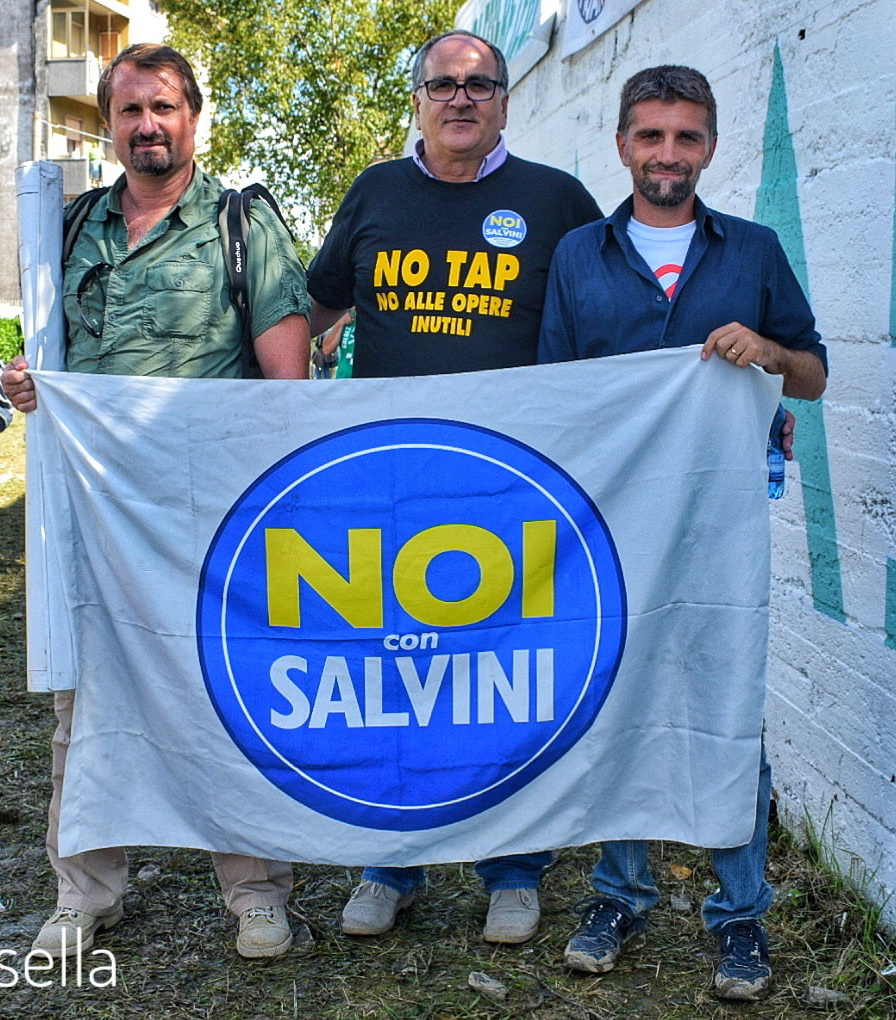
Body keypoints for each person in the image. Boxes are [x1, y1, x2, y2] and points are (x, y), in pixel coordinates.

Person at [1, 43, 310, 962]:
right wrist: (29, 382)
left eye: (163, 108)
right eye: (129, 111)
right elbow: (48, 361)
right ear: (108, 123)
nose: (146, 126)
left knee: (222, 697)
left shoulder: (239, 224)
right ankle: (82, 893)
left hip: (208, 515)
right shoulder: (69, 226)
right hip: (90, 517)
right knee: (84, 706)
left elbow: (285, 387)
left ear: (192, 116)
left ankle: (256, 893)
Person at [303, 29, 604, 944]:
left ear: (506, 99)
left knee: (507, 675)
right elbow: (313, 308)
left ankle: (513, 869)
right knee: (398, 665)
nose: (461, 99)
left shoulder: (556, 200)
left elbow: (613, 309)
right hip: (393, 483)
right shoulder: (374, 193)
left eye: (480, 85)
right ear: (420, 99)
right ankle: (391, 864)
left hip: (515, 486)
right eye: (444, 84)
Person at [536, 65, 827, 999]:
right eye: (650, 136)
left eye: (686, 138)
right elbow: (552, 392)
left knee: (725, 705)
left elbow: (813, 373)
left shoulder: (752, 250)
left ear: (709, 145)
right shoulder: (579, 254)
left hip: (720, 527)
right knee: (619, 702)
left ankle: (739, 918)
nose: (668, 155)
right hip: (612, 524)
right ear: (622, 143)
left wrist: (770, 353)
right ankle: (618, 893)